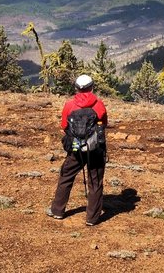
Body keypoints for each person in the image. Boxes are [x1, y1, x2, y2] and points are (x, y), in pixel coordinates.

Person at [47, 74, 107, 225]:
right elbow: (104, 123)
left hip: (76, 148)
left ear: (76, 88)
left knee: (66, 176)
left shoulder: (69, 105)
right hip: (95, 148)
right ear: (91, 87)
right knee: (95, 181)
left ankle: (57, 211)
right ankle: (92, 218)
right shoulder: (99, 104)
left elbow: (64, 126)